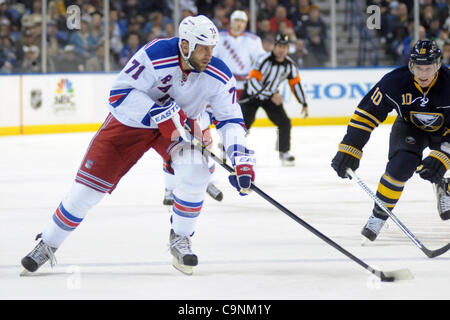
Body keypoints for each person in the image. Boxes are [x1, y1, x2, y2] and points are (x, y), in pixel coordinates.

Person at [20, 15, 256, 276]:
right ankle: (48, 243)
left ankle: (180, 237)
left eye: (212, 48)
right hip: (130, 125)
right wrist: (158, 112)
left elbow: (231, 119)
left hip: (177, 128)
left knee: (197, 171)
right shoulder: (155, 55)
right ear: (185, 45)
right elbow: (118, 95)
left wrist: (241, 158)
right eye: (203, 48)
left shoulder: (219, 75)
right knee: (86, 193)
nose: (209, 54)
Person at [331, 40, 450, 242]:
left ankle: (442, 184)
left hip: (446, 130)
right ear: (411, 65)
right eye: (418, 68)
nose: (422, 74)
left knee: (438, 164)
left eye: (428, 68)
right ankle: (378, 216)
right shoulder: (394, 82)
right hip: (409, 127)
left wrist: (444, 155)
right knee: (399, 168)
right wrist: (350, 148)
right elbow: (366, 114)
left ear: (438, 65)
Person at [240, 33, 308, 166]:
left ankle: (284, 152)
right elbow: (252, 81)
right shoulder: (262, 60)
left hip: (270, 96)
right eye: (279, 46)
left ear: (287, 49)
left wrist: (303, 103)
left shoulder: (290, 65)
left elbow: (296, 85)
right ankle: (230, 147)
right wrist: (271, 95)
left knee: (284, 122)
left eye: (284, 47)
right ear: (274, 46)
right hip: (252, 94)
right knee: (245, 123)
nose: (281, 49)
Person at [214, 10, 266, 100]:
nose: (239, 24)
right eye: (237, 20)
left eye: (242, 21)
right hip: (224, 83)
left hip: (245, 84)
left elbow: (261, 60)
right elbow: (212, 57)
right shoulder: (219, 37)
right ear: (231, 21)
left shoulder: (254, 39)